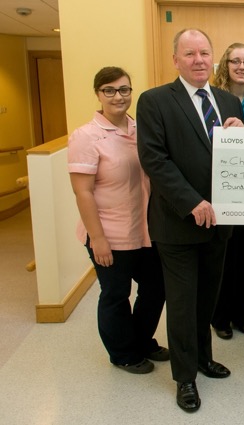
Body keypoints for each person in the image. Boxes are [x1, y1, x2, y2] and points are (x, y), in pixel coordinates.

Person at [136, 28, 244, 412]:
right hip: (178, 222)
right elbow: (154, 159)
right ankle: (185, 378)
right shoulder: (154, 101)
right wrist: (191, 201)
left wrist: (243, 136)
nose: (199, 59)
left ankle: (202, 357)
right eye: (190, 53)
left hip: (221, 221)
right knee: (182, 303)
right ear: (175, 60)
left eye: (204, 53)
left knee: (207, 299)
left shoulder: (229, 101)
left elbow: (239, 159)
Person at [68, 66, 168, 375]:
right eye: (109, 90)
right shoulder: (87, 136)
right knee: (115, 294)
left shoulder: (140, 129)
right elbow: (83, 192)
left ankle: (140, 339)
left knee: (156, 288)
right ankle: (123, 354)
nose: (118, 96)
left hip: (144, 232)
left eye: (124, 89)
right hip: (108, 234)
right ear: (98, 94)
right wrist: (98, 239)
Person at [210, 42, 244, 340]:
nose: (241, 67)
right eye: (235, 61)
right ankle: (220, 317)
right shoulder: (213, 100)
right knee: (223, 254)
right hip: (223, 188)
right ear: (224, 66)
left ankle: (243, 314)